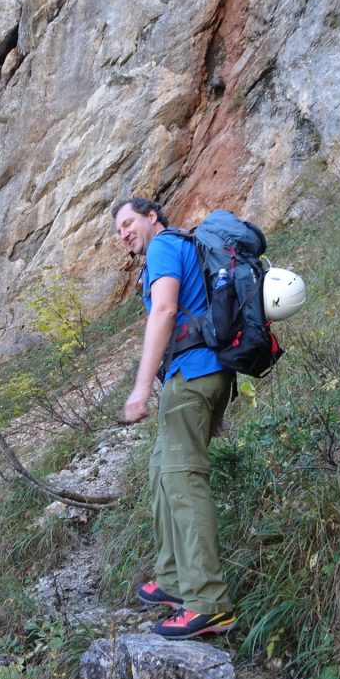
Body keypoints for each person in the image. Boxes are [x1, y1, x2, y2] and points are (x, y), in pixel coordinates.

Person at [112, 196, 235, 640]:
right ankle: (172, 580)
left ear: (151, 216)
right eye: (118, 230)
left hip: (193, 374)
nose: (124, 233)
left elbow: (164, 311)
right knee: (161, 471)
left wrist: (141, 388)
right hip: (196, 378)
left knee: (183, 482)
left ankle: (208, 602)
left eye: (127, 222)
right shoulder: (180, 247)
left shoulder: (164, 244)